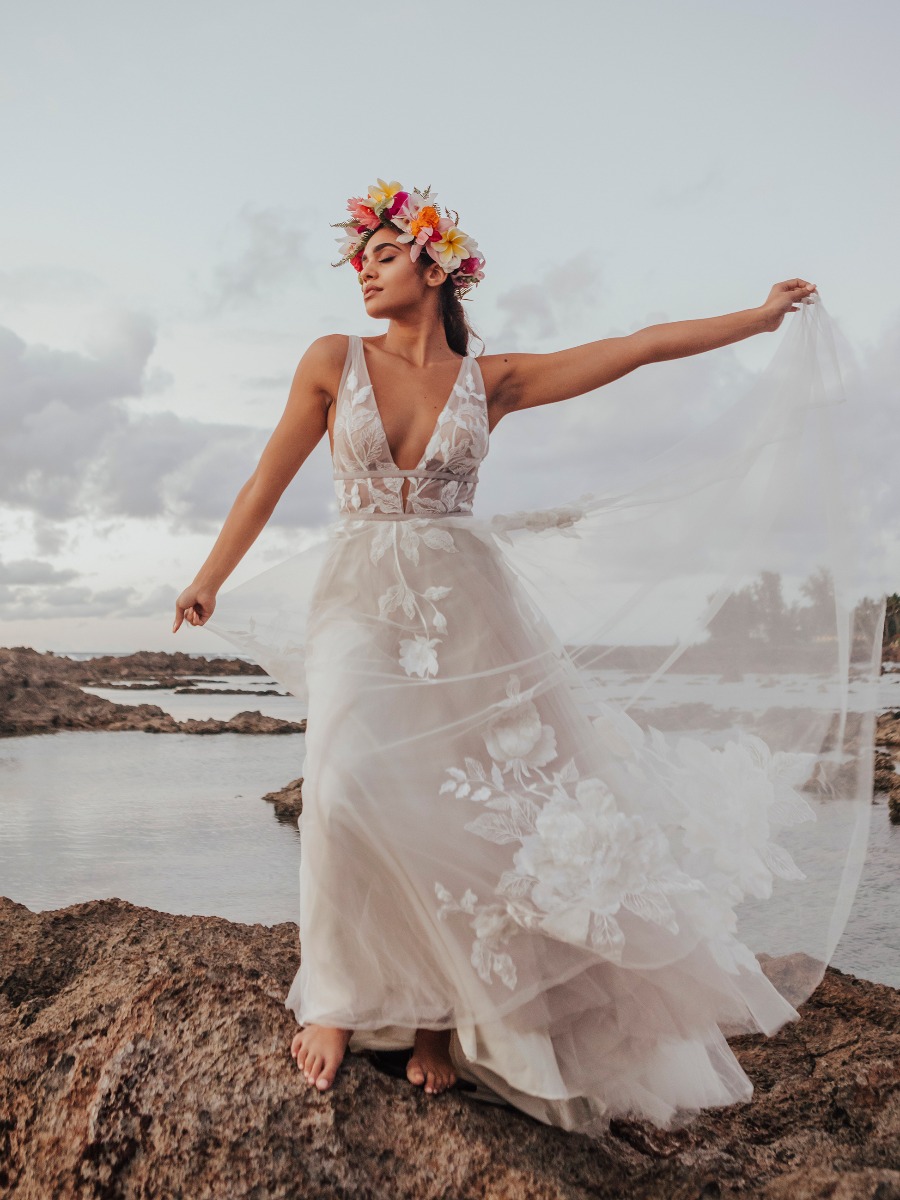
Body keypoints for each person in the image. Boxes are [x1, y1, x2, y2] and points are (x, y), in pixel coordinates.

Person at [173, 179, 881, 1136]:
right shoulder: (330, 359)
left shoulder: (489, 380)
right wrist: (211, 575)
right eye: (361, 259)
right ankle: (335, 997)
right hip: (358, 600)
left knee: (454, 811)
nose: (365, 270)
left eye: (383, 254)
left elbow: (629, 351)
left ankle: (435, 1022)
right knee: (342, 788)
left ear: (436, 264)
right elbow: (269, 477)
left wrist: (755, 321)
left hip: (468, 605)